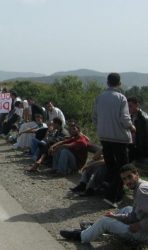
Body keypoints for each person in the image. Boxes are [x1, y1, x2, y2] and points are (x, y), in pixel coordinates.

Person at [60, 164, 148, 244]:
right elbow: (134, 216)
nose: (128, 181)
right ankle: (93, 228)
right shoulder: (142, 185)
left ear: (136, 174)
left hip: (143, 234)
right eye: (124, 179)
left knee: (104, 222)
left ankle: (81, 236)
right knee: (128, 209)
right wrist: (115, 216)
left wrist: (139, 225)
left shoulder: (141, 190)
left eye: (130, 177)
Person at [93, 73, 135, 207]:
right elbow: (125, 118)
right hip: (119, 138)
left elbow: (94, 117)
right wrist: (132, 127)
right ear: (119, 83)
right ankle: (113, 197)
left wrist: (102, 128)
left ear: (107, 82)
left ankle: (108, 191)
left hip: (104, 137)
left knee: (111, 166)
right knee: (123, 167)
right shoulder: (121, 98)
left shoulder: (100, 97)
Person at [127, 97, 148, 163]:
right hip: (132, 147)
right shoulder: (130, 117)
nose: (128, 108)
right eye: (127, 106)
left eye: (130, 106)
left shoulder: (144, 118)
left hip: (141, 150)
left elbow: (144, 138)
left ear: (137, 105)